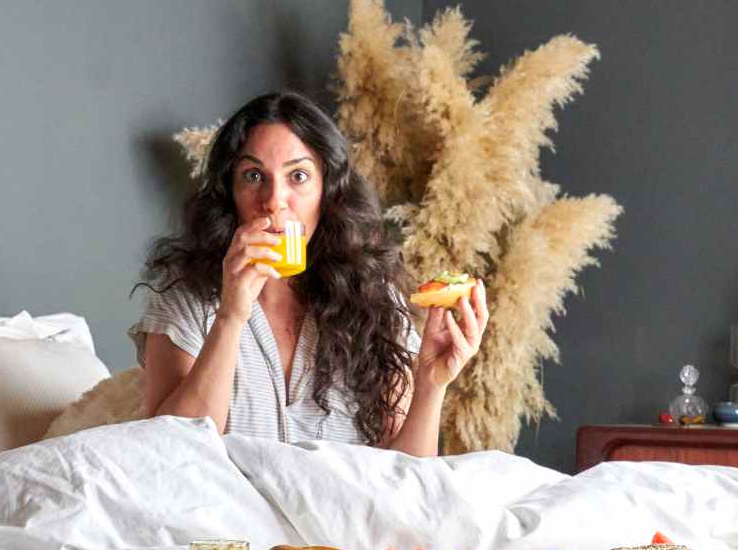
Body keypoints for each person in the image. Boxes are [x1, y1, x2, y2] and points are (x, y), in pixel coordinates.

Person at [130, 91, 489, 455]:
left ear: (327, 190)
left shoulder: (374, 299)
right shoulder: (185, 296)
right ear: (229, 193)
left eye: (298, 176)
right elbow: (170, 455)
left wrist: (430, 384)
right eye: (253, 176)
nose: (273, 200)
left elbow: (401, 477)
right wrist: (231, 316)